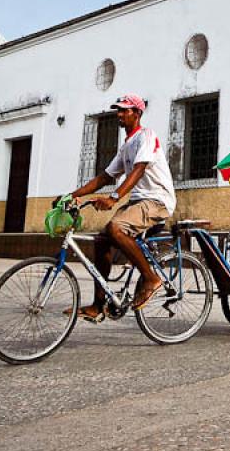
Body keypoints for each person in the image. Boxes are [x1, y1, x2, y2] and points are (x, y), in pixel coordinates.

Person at [64, 93, 176, 321]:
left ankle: (151, 277)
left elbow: (139, 169)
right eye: (119, 110)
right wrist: (71, 195)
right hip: (139, 202)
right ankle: (98, 305)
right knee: (102, 240)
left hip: (158, 200)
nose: (120, 114)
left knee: (116, 227)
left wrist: (114, 198)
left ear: (137, 113)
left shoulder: (146, 135)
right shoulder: (126, 145)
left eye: (125, 110)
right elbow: (105, 177)